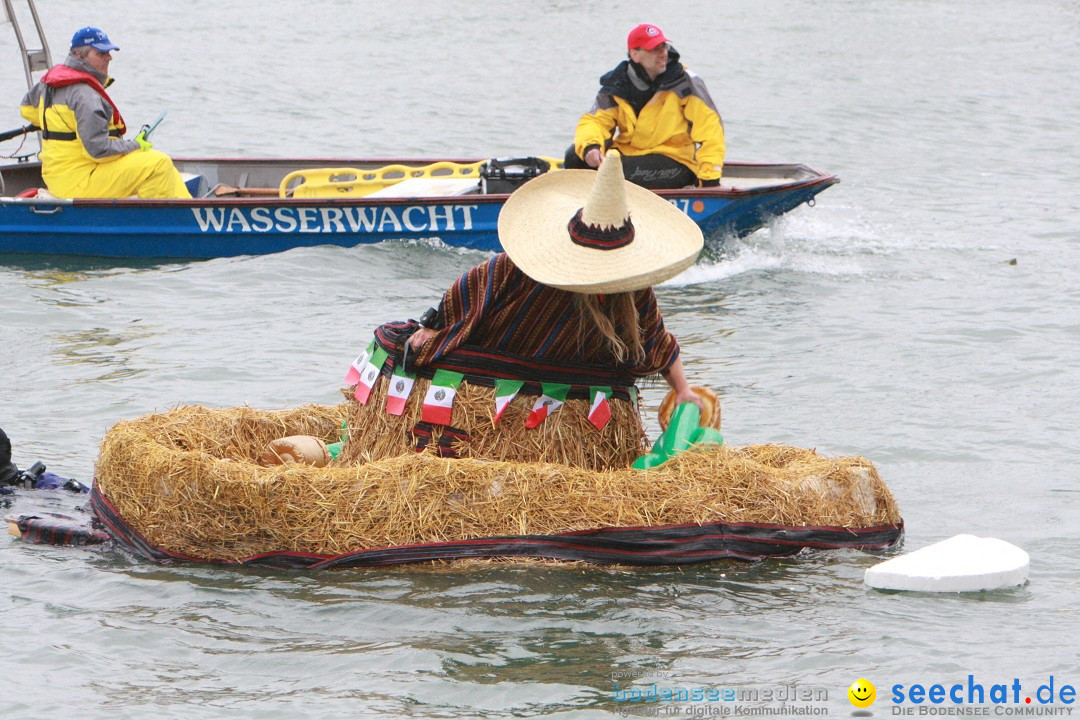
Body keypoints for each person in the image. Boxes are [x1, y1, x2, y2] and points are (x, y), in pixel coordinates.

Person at [407, 149, 705, 411]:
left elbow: (657, 340)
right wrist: (437, 329)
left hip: (583, 411)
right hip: (501, 399)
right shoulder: (520, 268)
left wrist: (683, 390)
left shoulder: (632, 287)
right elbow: (469, 291)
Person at [19, 27, 191, 199]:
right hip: (80, 180)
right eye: (101, 53)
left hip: (59, 176)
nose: (109, 57)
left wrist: (58, 123)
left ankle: (190, 215)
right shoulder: (85, 96)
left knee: (164, 165)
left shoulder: (47, 83)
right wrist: (136, 145)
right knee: (158, 165)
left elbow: (27, 110)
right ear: (80, 55)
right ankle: (150, 223)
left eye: (108, 52)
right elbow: (98, 151)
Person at [564, 23, 725, 190]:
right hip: (629, 154)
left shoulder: (685, 82)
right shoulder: (617, 85)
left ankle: (603, 200)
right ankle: (585, 206)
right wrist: (591, 146)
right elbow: (594, 121)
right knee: (574, 157)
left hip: (675, 160)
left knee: (615, 173)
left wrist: (710, 180)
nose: (662, 54)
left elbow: (710, 131)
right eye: (654, 49)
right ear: (635, 55)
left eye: (663, 47)